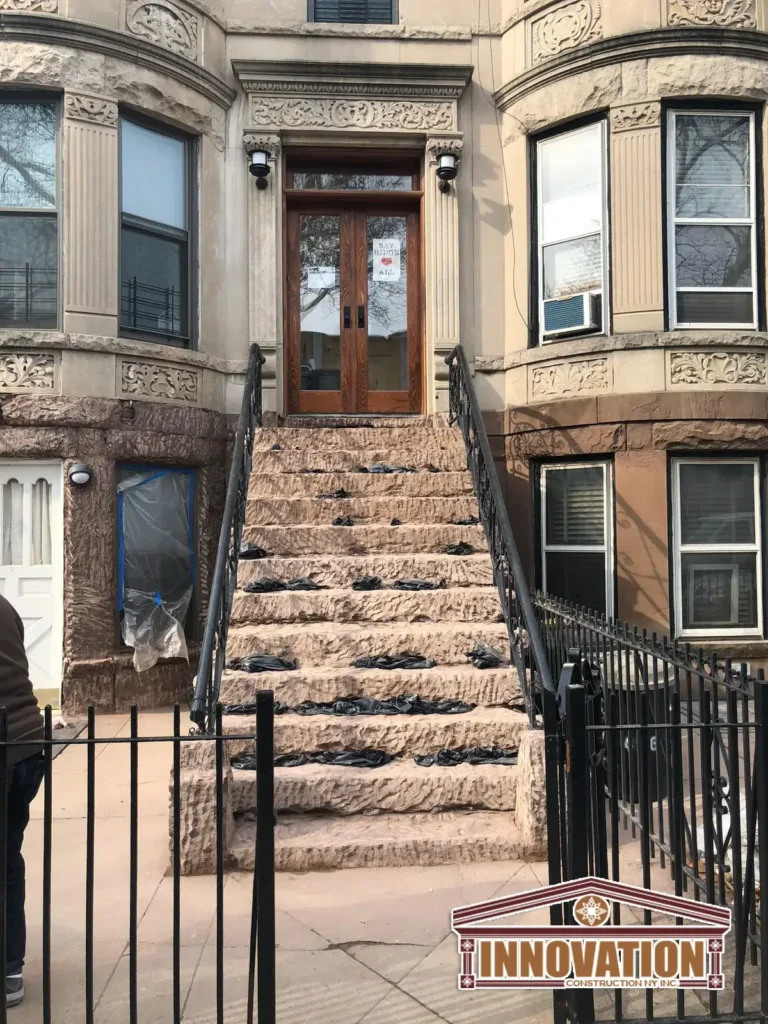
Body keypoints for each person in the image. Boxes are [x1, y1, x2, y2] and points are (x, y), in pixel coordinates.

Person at [0, 594, 44, 1008]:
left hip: (6, 750)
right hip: (29, 744)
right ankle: (10, 969)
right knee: (8, 860)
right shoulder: (5, 605)